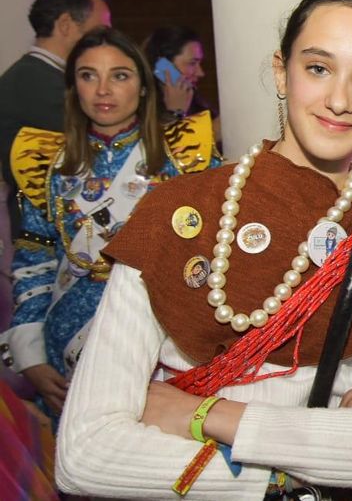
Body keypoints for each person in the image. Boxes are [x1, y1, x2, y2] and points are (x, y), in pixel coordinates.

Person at [55, 0, 352, 499]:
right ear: (282, 73)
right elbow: (85, 453)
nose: (338, 100)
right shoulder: (176, 212)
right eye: (318, 68)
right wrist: (296, 474)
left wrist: (204, 414)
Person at [3, 27, 219, 416]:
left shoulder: (187, 156)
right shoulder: (48, 164)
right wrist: (31, 357)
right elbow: (34, 261)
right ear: (74, 88)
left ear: (141, 86)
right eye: (88, 75)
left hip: (160, 349)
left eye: (119, 75)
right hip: (66, 354)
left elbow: (218, 253)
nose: (103, 89)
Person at [0, 0, 110, 231]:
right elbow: (97, 149)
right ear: (66, 25)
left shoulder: (39, 77)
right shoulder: (36, 83)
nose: (106, 41)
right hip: (41, 233)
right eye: (100, 30)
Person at [143, 25, 222, 142]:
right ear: (163, 66)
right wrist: (175, 113)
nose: (201, 73)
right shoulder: (139, 110)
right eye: (192, 63)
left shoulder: (199, 105)